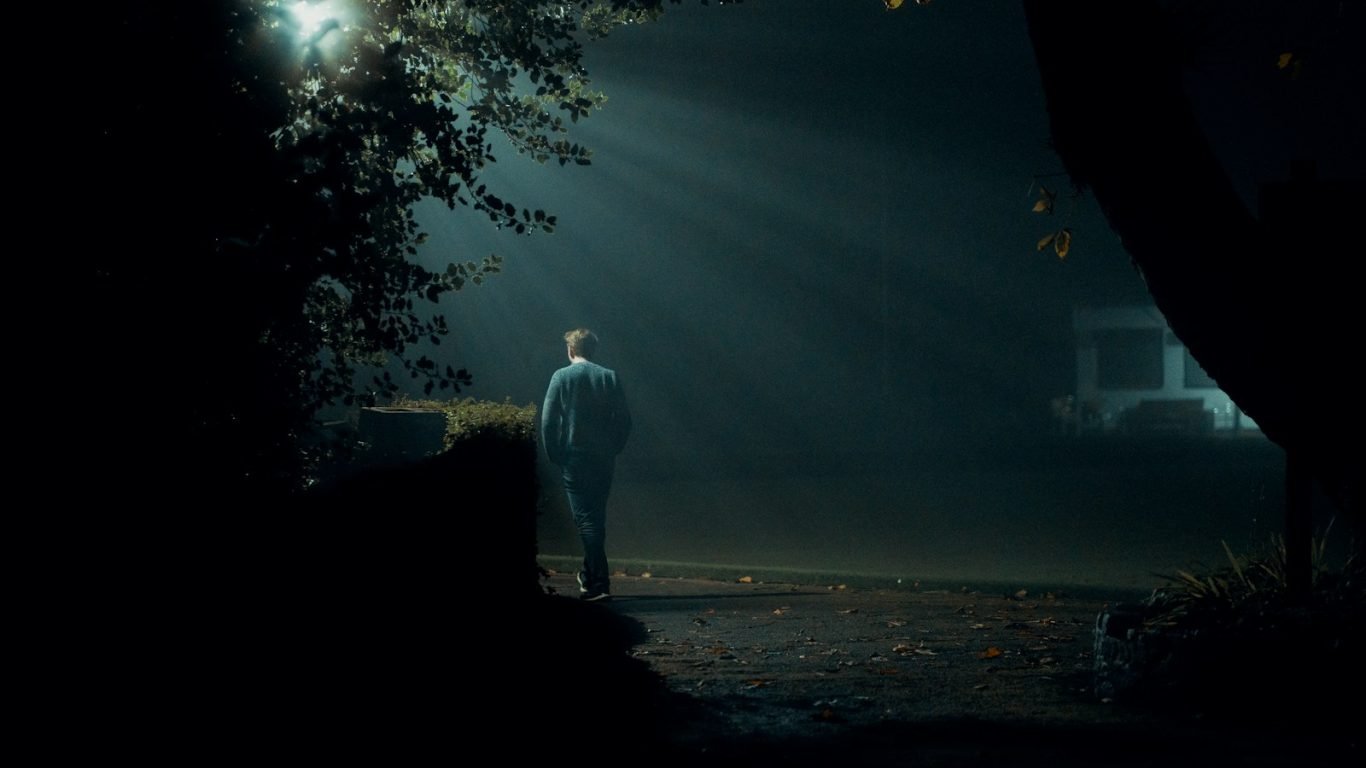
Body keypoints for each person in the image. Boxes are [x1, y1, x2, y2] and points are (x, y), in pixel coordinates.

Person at [541, 328, 632, 602]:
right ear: (592, 350)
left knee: (585, 520)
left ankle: (599, 582)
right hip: (602, 459)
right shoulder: (608, 376)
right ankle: (588, 575)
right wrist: (613, 448)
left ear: (570, 350)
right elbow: (625, 420)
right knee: (595, 518)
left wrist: (554, 454)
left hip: (574, 457)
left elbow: (548, 421)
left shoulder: (560, 377)